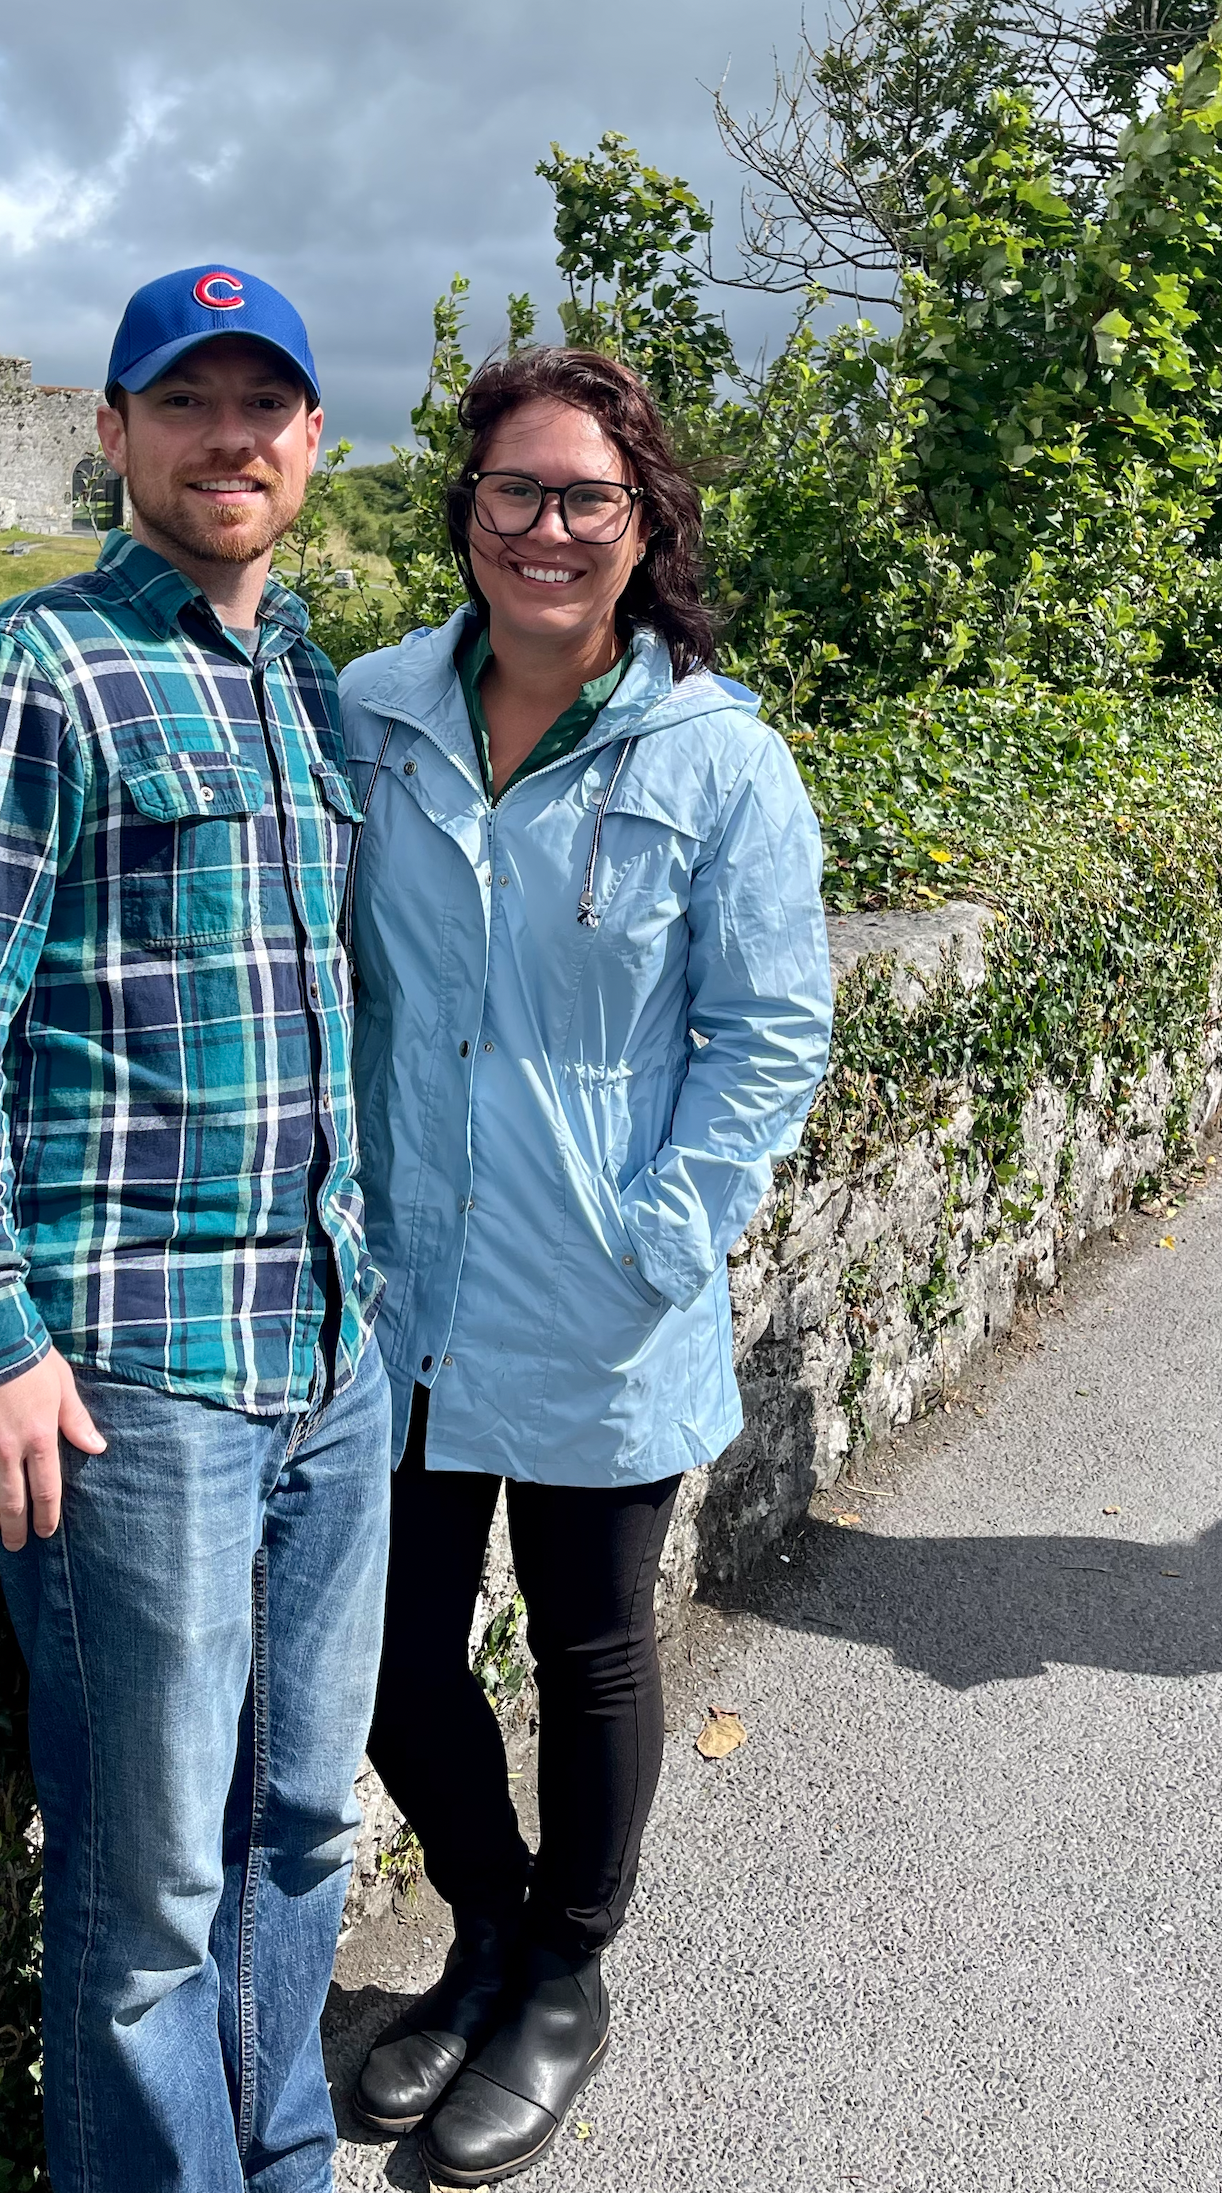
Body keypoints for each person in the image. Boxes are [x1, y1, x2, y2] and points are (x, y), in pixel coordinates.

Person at [0, 265, 387, 2193]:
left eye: (266, 406)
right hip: (137, 1382)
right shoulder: (33, 668)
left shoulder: (307, 688)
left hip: (325, 1355)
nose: (228, 438)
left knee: (304, 1825)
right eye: (188, 403)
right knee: (153, 1889)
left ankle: (285, 2169)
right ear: (115, 431)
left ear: (313, 442)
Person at [335, 344, 834, 2185]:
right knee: (386, 1649)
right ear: (465, 512)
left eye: (585, 500)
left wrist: (664, 1225)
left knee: (593, 1644)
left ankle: (566, 1970)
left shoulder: (721, 759)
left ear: (643, 529)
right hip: (395, 1284)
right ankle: (482, 1925)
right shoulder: (371, 714)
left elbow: (770, 1031)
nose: (546, 531)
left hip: (598, 1292)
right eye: (513, 494)